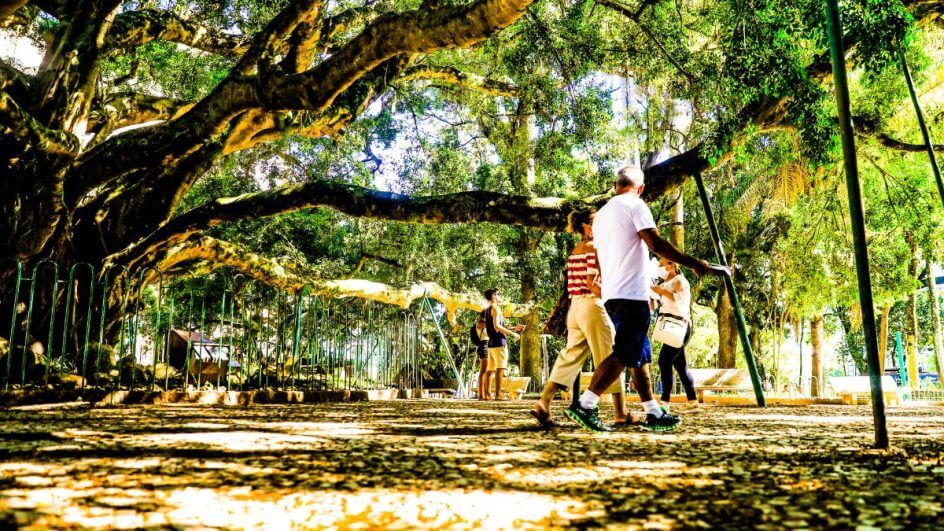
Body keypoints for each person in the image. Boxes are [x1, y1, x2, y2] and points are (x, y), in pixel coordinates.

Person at [565, 165, 730, 432]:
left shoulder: (603, 214)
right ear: (640, 188)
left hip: (613, 294)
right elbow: (655, 243)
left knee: (639, 355)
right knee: (625, 352)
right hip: (632, 294)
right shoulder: (635, 204)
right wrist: (695, 263)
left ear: (616, 185)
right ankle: (585, 403)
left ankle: (653, 411)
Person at [531, 210, 639, 427]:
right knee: (611, 357)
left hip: (575, 307)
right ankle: (621, 412)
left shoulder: (575, 251)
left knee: (570, 356)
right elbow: (592, 282)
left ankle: (544, 402)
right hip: (592, 305)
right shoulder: (594, 248)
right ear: (586, 227)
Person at [651, 257, 698, 411]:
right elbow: (657, 305)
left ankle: (664, 401)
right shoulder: (663, 284)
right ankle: (693, 401)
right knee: (680, 365)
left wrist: (662, 291)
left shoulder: (679, 280)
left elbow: (679, 299)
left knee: (664, 361)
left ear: (671, 266)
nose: (659, 268)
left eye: (661, 265)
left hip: (680, 327)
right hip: (670, 327)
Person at [483, 288, 524, 400]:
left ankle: (487, 395)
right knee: (500, 368)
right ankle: (498, 395)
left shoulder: (487, 309)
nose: (500, 296)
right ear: (493, 296)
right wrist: (513, 334)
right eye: (498, 294)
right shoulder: (496, 308)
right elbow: (497, 326)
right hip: (500, 342)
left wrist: (515, 328)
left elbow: (497, 326)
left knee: (490, 370)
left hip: (491, 343)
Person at [470, 316, 490, 400]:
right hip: (485, 346)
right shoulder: (482, 324)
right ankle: (482, 394)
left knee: (485, 371)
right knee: (484, 371)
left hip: (482, 346)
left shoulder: (477, 325)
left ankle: (484, 394)